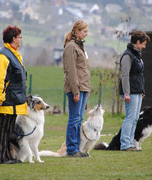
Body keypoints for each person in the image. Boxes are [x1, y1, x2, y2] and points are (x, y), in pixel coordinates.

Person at [0, 26, 27, 164]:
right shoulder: (3, 56)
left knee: (8, 131)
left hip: (13, 100)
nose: (21, 39)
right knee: (2, 130)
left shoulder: (14, 54)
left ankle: (6, 157)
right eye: (19, 37)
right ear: (13, 39)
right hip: (6, 100)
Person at [63, 20, 90, 157]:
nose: (87, 34)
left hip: (83, 88)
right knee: (74, 119)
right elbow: (71, 71)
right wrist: (76, 91)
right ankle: (72, 149)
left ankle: (76, 148)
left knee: (79, 119)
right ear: (77, 31)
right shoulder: (71, 47)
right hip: (76, 88)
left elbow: (83, 70)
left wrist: (86, 89)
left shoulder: (80, 47)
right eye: (85, 31)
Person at [119, 30, 150, 151]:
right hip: (130, 91)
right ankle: (125, 144)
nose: (144, 46)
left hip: (137, 91)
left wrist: (142, 90)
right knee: (130, 118)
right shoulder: (127, 56)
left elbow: (139, 75)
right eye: (143, 44)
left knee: (136, 118)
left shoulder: (137, 55)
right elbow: (125, 76)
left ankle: (131, 142)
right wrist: (126, 93)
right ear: (137, 42)